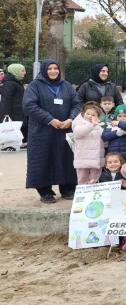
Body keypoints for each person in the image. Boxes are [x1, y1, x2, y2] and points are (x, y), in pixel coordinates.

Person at [24, 60, 81, 202]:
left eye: (56, 68)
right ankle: (45, 191)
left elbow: (76, 103)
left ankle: (68, 188)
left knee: (66, 159)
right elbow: (29, 105)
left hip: (64, 129)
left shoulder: (66, 86)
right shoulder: (35, 86)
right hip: (42, 131)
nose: (53, 71)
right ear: (44, 70)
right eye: (50, 69)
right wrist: (50, 120)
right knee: (43, 159)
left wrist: (71, 119)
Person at [71, 102, 104, 185]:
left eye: (93, 115)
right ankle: (82, 194)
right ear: (83, 113)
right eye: (88, 113)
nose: (89, 116)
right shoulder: (79, 124)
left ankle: (93, 195)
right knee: (82, 178)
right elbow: (78, 133)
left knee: (95, 178)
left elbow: (103, 140)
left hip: (96, 157)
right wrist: (91, 125)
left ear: (97, 117)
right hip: (83, 157)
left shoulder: (99, 127)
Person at [0, 63, 27, 144]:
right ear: (15, 71)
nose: (24, 72)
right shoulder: (10, 83)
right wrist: (6, 112)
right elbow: (6, 98)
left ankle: (18, 143)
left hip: (17, 111)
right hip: (13, 113)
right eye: (22, 70)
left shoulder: (15, 82)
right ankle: (10, 144)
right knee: (13, 128)